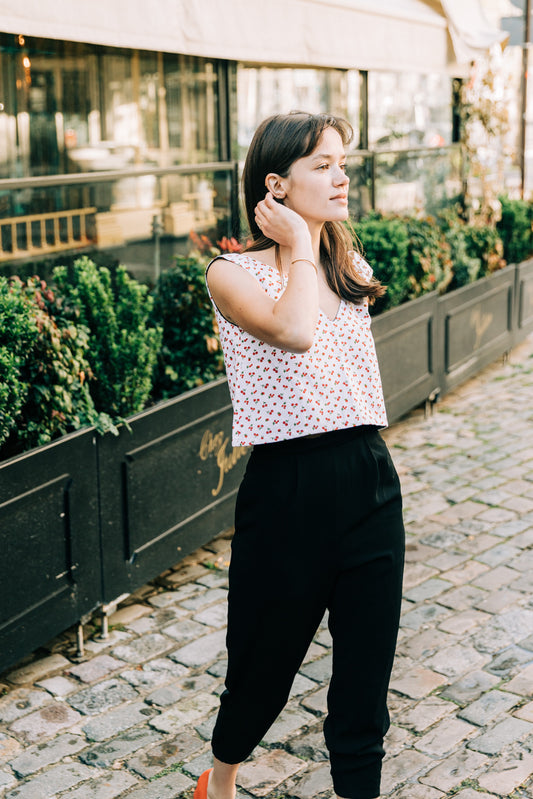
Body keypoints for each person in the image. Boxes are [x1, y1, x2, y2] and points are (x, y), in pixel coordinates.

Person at [195, 111, 405, 799]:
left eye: (342, 161)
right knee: (262, 666)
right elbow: (293, 331)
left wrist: (310, 251)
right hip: (286, 487)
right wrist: (293, 248)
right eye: (322, 164)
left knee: (364, 676)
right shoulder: (230, 275)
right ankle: (219, 781)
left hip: (368, 478)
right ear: (276, 184)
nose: (341, 175)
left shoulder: (347, 264)